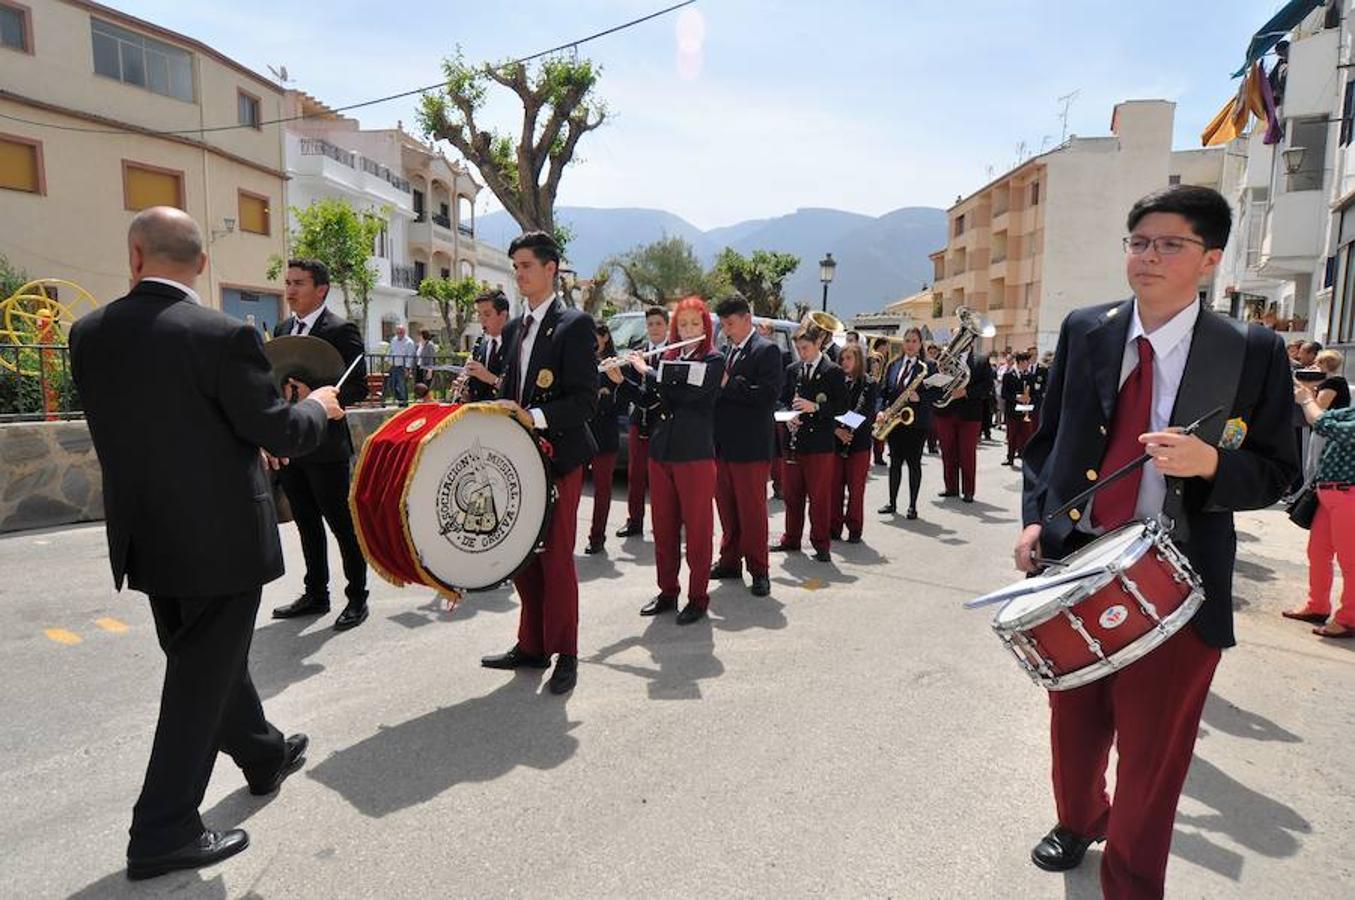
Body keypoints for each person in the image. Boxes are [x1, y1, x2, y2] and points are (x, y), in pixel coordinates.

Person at [1013, 185, 1298, 898]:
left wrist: (1211, 465)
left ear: (1207, 260)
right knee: (1073, 724)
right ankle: (1078, 819)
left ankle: (1132, 882)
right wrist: (1034, 519)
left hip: (1181, 582)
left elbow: (1279, 471)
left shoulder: (1250, 351)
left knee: (1153, 752)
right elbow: (1046, 443)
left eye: (1169, 244)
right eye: (1137, 242)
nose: (1147, 257)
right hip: (1078, 564)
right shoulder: (1087, 329)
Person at [69, 207, 347, 880]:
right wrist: (319, 408)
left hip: (145, 536)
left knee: (206, 661)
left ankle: (261, 752)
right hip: (220, 538)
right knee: (199, 676)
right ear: (201, 264)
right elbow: (277, 433)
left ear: (135, 257)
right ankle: (162, 831)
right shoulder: (223, 335)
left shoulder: (88, 333)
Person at [481, 231, 596, 694]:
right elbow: (511, 389)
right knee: (522, 554)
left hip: (561, 456)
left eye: (526, 265)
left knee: (557, 558)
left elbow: (585, 401)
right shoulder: (512, 329)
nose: (519, 274)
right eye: (515, 267)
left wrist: (535, 417)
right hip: (520, 458)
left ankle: (565, 652)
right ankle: (531, 644)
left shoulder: (575, 325)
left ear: (551, 269)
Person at [269, 260, 371, 631]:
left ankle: (357, 597)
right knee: (306, 523)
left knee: (342, 524)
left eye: (299, 283)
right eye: (288, 283)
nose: (290, 290)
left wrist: (320, 398)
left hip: (327, 447)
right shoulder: (282, 329)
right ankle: (316, 593)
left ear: (321, 289)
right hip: (293, 443)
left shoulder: (341, 330)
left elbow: (358, 385)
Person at [612, 297, 724, 622]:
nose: (689, 329)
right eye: (683, 324)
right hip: (661, 453)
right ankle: (668, 591)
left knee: (699, 531)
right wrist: (625, 382)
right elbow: (652, 400)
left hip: (696, 457)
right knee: (663, 528)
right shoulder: (670, 359)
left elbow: (688, 395)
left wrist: (647, 370)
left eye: (694, 323)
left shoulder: (714, 361)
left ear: (705, 326)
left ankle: (698, 597)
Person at [711, 294, 784, 597]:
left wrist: (729, 383)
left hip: (751, 447)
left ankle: (759, 570)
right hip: (724, 445)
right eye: (723, 325)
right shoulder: (728, 351)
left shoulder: (766, 351)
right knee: (727, 509)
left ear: (746, 318)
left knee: (753, 513)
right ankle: (730, 561)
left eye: (730, 324)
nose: (726, 330)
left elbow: (767, 396)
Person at [1286, 375, 1355, 638]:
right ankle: (1317, 605)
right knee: (1318, 552)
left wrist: (1306, 400)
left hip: (1348, 497)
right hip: (1332, 495)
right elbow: (1334, 417)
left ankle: (1349, 618)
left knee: (1351, 562)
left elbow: (1325, 422)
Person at [772, 326, 848, 561]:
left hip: (820, 444)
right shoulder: (793, 370)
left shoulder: (832, 371)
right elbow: (781, 400)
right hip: (794, 443)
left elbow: (843, 406)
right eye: (798, 348)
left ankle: (821, 543)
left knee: (819, 497)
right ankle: (792, 538)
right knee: (792, 495)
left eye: (805, 348)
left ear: (817, 345)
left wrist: (815, 407)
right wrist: (788, 416)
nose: (801, 353)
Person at [615, 306, 669, 538]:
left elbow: (663, 389)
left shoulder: (673, 355)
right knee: (635, 474)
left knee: (661, 477)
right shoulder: (638, 352)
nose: (654, 328)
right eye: (650, 325)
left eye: (658, 324)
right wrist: (617, 377)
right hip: (639, 419)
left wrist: (645, 372)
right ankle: (634, 520)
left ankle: (665, 522)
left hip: (662, 422)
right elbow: (631, 390)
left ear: (666, 326)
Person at [877, 327, 938, 519]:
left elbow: (937, 393)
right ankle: (892, 502)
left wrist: (920, 397)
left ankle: (912, 506)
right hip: (896, 420)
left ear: (920, 344)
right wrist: (882, 409)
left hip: (917, 422)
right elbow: (883, 391)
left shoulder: (929, 367)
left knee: (914, 464)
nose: (910, 344)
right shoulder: (893, 365)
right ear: (903, 343)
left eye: (914, 341)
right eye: (907, 340)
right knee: (894, 463)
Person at [831, 343, 879, 543]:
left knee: (856, 489)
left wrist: (847, 429)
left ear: (858, 360)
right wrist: (837, 430)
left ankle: (854, 528)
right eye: (842, 359)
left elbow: (867, 412)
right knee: (834, 489)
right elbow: (829, 410)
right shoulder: (835, 382)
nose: (844, 362)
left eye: (849, 358)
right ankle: (833, 527)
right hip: (836, 441)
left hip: (858, 444)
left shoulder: (869, 383)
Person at [933, 347, 993, 502]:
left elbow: (987, 386)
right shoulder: (944, 359)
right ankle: (951, 488)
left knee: (967, 454)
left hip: (970, 414)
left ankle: (968, 490)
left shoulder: (981, 360)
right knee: (947, 451)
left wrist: (967, 392)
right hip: (946, 412)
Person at [585, 323, 620, 555]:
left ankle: (597, 537)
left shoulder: (615, 364)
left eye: (595, 337)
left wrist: (600, 397)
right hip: (582, 434)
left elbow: (616, 401)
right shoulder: (582, 361)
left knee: (602, 490)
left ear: (605, 338)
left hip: (605, 436)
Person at [462, 289, 510, 402]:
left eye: (487, 314)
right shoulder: (481, 347)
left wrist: (490, 378)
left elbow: (518, 390)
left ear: (503, 315)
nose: (482, 320)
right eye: (479, 314)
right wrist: (465, 392)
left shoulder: (516, 346)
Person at [1002, 352, 1035, 466]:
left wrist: (1030, 398)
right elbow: (1004, 394)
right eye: (1027, 362)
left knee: (1026, 435)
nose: (1028, 364)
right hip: (1012, 410)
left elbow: (1035, 393)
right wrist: (1017, 397)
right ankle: (1010, 457)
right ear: (1020, 362)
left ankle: (1025, 457)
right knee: (1012, 435)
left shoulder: (1030, 376)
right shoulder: (1008, 375)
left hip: (1026, 409)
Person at [386, 324, 417, 406]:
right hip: (394, 366)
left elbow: (410, 356)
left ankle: (404, 403)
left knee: (402, 386)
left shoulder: (409, 342)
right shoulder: (394, 340)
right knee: (391, 385)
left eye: (400, 332)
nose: (399, 334)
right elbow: (390, 351)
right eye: (397, 332)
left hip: (402, 367)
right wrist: (387, 361)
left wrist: (407, 368)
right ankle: (400, 400)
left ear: (404, 332)